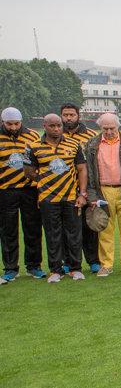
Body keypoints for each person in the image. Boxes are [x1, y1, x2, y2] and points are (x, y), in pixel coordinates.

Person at [24, 114, 88, 283]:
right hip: (48, 198)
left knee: (74, 234)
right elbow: (29, 171)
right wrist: (44, 182)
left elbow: (82, 169)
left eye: (58, 125)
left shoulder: (74, 144)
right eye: (52, 126)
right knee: (53, 235)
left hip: (70, 197)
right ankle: (55, 270)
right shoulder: (33, 146)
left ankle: (75, 268)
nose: (56, 128)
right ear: (44, 126)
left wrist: (82, 194)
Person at [84, 113, 121, 276]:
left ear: (118, 126)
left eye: (112, 128)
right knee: (105, 229)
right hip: (104, 190)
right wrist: (92, 196)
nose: (108, 132)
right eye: (105, 128)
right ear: (100, 128)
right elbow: (90, 172)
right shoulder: (93, 144)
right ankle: (106, 264)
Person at [0, 107, 45, 281]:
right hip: (6, 190)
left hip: (30, 189)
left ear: (21, 121)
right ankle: (11, 268)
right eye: (9, 124)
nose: (13, 127)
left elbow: (39, 159)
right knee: (8, 230)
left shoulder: (32, 136)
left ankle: (34, 266)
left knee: (32, 228)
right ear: (3, 122)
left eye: (16, 123)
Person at [61, 103, 100, 273]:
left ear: (79, 116)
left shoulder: (91, 135)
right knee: (67, 228)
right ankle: (69, 261)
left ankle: (93, 261)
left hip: (88, 187)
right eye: (65, 115)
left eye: (72, 115)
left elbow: (97, 162)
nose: (68, 118)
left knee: (89, 225)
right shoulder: (55, 135)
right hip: (64, 189)